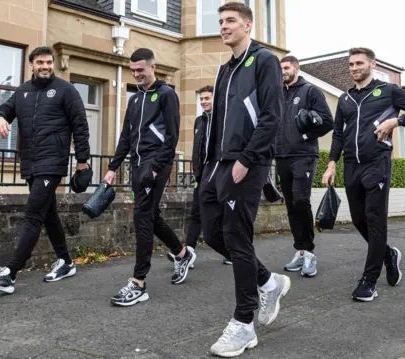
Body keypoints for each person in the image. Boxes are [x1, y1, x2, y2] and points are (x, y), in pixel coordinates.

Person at [202, 3, 292, 357]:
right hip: (218, 166)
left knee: (237, 239)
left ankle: (243, 324)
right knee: (212, 234)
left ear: (248, 25)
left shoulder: (264, 60)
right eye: (220, 21)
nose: (223, 27)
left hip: (247, 162)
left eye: (230, 21)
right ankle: (270, 282)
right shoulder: (225, 69)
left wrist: (247, 159)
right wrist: (208, 168)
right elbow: (218, 121)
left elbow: (272, 116)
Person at [321, 47, 405, 302]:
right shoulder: (346, 98)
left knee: (374, 219)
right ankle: (388, 254)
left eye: (359, 63)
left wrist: (396, 122)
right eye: (350, 64)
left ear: (372, 64)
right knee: (359, 219)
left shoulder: (388, 91)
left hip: (377, 163)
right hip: (351, 166)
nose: (354, 68)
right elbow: (338, 133)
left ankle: (369, 281)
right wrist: (332, 163)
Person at [0, 46, 91, 294]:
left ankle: (10, 273)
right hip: (30, 163)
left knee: (33, 214)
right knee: (48, 213)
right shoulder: (23, 92)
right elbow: (4, 110)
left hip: (52, 162)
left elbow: (80, 125)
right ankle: (66, 261)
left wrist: (82, 162)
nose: (45, 66)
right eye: (40, 62)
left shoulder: (66, 90)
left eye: (49, 62)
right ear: (31, 65)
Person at [103, 48, 195, 307]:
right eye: (133, 71)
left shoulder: (167, 95)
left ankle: (138, 282)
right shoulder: (134, 100)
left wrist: (155, 168)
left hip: (155, 165)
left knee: (142, 217)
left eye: (140, 70)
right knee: (151, 216)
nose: (136, 75)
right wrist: (113, 167)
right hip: (136, 164)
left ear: (153, 67)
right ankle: (181, 253)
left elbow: (172, 136)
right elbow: (125, 136)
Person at [275, 56, 334, 277]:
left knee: (301, 201)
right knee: (291, 206)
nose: (284, 72)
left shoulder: (311, 91)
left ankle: (309, 253)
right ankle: (299, 251)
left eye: (287, 68)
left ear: (296, 69)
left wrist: (306, 134)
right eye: (281, 69)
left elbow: (328, 121)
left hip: (304, 155)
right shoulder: (278, 93)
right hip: (282, 156)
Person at [166, 85, 232, 266]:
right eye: (201, 99)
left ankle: (231, 252)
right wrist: (197, 172)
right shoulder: (199, 121)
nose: (203, 102)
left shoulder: (223, 120)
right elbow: (197, 150)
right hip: (201, 176)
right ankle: (190, 251)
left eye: (207, 98)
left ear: (215, 98)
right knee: (196, 213)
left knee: (224, 215)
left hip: (219, 176)